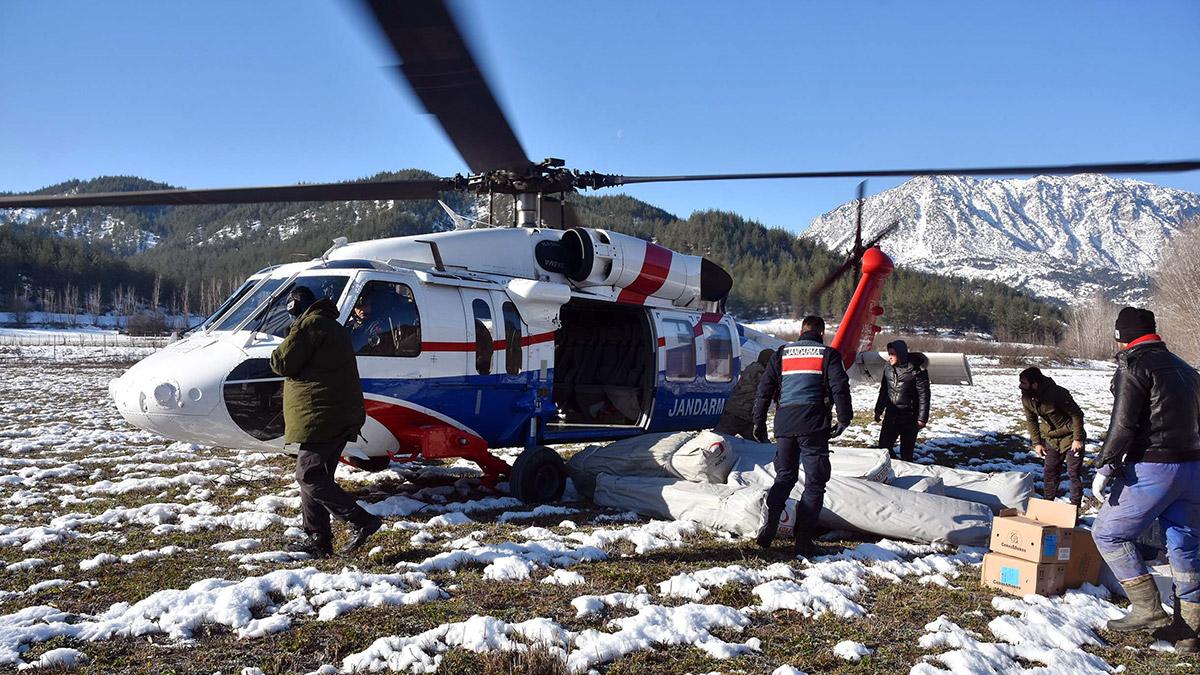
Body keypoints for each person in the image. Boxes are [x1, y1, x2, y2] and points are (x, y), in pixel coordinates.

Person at [1091, 307, 1200, 652]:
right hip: (1194, 468)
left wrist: (1106, 466)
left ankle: (1146, 608)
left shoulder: (1133, 365)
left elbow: (1123, 425)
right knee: (1185, 547)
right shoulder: (1187, 369)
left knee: (1108, 533)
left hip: (1154, 468)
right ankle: (1188, 632)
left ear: (1122, 337)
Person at [270, 286, 383, 558]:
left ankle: (360, 520)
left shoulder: (308, 325)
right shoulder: (331, 325)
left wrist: (290, 331)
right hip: (337, 414)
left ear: (293, 307)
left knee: (308, 475)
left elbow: (280, 363)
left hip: (321, 415)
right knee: (316, 478)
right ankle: (318, 540)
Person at [751, 315, 853, 556]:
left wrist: (758, 421)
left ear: (800, 332)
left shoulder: (781, 354)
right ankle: (804, 539)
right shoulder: (828, 354)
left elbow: (764, 390)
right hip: (814, 425)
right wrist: (844, 418)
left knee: (784, 477)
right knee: (815, 483)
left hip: (785, 425)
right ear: (821, 333)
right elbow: (840, 386)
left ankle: (770, 524)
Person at [1019, 366, 1086, 506]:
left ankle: (1074, 508)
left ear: (1035, 384)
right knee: (1050, 472)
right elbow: (1031, 421)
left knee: (1073, 473)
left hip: (1071, 437)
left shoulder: (1057, 393)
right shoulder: (1027, 398)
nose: (1020, 386)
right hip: (1051, 439)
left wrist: (1078, 439)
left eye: (1023, 383)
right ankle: (1047, 505)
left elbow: (1077, 415)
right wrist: (1037, 443)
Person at [873, 340, 930, 462]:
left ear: (900, 354)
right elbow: (884, 390)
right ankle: (892, 468)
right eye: (889, 353)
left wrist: (922, 419)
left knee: (906, 452)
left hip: (909, 417)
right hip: (891, 414)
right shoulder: (888, 367)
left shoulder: (917, 370)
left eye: (892, 354)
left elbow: (924, 396)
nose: (890, 357)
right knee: (884, 447)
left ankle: (906, 475)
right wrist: (878, 410)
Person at [715, 349, 775, 439]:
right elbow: (768, 390)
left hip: (735, 412)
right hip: (744, 415)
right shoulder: (761, 374)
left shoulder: (752, 369)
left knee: (718, 438)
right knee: (762, 444)